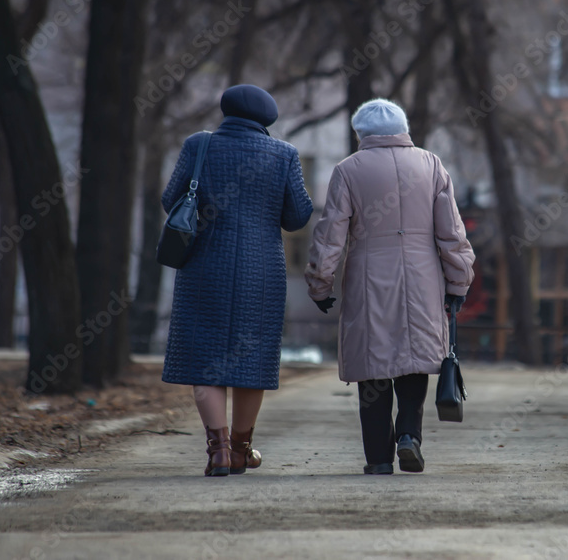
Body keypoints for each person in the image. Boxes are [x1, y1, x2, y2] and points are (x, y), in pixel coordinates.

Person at [306, 98, 475, 475]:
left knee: (373, 362)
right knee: (413, 357)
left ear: (360, 133)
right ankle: (409, 436)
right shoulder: (431, 165)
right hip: (423, 273)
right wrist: (459, 280)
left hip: (369, 272)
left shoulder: (348, 170)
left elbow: (331, 232)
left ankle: (378, 459)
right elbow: (452, 233)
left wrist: (320, 283)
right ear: (403, 129)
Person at [161, 84, 313, 476]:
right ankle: (243, 449)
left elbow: (170, 199)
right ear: (267, 119)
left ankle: (219, 451)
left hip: (203, 266)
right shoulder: (284, 154)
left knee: (204, 360)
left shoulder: (199, 145)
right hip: (260, 270)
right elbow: (297, 217)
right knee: (252, 359)